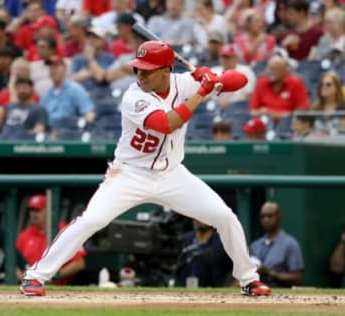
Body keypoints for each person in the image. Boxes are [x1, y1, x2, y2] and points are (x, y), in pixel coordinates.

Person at [20, 40, 271, 297]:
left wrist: (211, 76)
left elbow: (240, 80)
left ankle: (248, 279)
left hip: (172, 174)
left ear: (166, 70)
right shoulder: (133, 97)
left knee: (225, 217)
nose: (141, 74)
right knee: (92, 220)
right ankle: (36, 276)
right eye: (138, 69)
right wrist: (202, 91)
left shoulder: (184, 83)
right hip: (129, 174)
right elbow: (167, 123)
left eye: (148, 69)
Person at [16, 194, 87, 285]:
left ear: (48, 210)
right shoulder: (24, 235)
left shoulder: (64, 231)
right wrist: (25, 278)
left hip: (59, 288)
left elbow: (79, 264)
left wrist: (52, 277)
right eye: (32, 210)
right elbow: (13, 263)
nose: (34, 214)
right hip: (30, 285)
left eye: (38, 210)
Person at [249, 201, 304, 288]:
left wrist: (270, 273)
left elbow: (298, 277)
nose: (266, 220)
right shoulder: (255, 245)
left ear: (278, 216)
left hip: (279, 292)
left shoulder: (290, 244)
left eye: (270, 216)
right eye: (262, 217)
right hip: (255, 292)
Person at [249, 54, 310, 122]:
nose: (272, 72)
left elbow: (302, 110)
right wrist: (262, 112)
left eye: (276, 69)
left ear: (285, 70)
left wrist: (279, 115)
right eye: (271, 69)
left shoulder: (296, 83)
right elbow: (253, 111)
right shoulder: (261, 83)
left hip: (289, 122)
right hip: (266, 122)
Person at [174, 220, 233, 287]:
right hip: (183, 291)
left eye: (203, 215)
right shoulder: (185, 240)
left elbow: (237, 272)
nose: (200, 219)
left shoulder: (222, 242)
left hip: (213, 292)